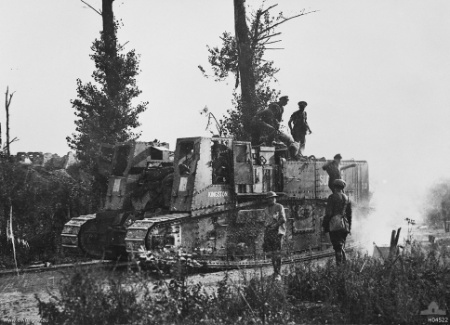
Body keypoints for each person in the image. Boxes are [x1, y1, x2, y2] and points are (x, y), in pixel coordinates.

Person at [322, 179, 352, 265]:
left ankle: (339, 266)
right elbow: (349, 215)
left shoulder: (332, 197)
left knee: (337, 247)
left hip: (335, 225)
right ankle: (345, 265)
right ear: (342, 188)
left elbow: (329, 213)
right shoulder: (347, 198)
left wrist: (325, 225)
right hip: (344, 225)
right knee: (341, 245)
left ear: (334, 187)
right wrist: (349, 227)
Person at [262, 191, 286, 280]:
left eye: (273, 198)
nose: (271, 199)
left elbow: (283, 219)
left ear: (275, 198)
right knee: (272, 253)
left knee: (277, 253)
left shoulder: (279, 207)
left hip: (277, 232)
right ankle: (275, 272)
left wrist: (275, 226)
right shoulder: (266, 209)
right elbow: (265, 221)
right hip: (269, 232)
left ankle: (278, 273)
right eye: (269, 198)